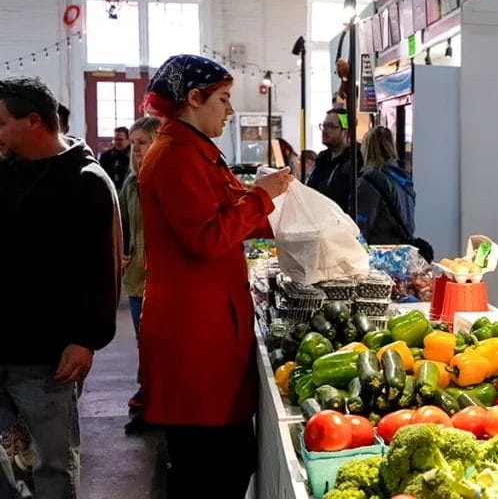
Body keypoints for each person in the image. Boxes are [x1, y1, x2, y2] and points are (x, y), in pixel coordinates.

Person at [137, 55, 293, 498]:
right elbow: (206, 238)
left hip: (208, 326)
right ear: (193, 98)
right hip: (194, 335)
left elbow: (225, 214)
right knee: (210, 467)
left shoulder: (196, 152)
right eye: (223, 99)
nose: (229, 109)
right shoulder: (175, 157)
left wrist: (273, 205)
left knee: (226, 458)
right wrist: (261, 197)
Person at [0, 76, 121, 497]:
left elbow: (101, 270)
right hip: (4, 343)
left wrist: (86, 338)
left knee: (51, 467)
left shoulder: (86, 181)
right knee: (6, 468)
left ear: (32, 121)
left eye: (0, 124)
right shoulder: (6, 170)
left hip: (47, 358)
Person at [119, 115, 162, 434]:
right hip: (136, 279)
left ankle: (157, 403)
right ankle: (149, 397)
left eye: (142, 142)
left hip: (162, 279)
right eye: (132, 144)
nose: (135, 149)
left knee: (157, 343)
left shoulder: (164, 180)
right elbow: (121, 222)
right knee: (143, 342)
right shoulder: (131, 184)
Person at [355, 126, 416, 245]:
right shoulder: (402, 179)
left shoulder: (368, 182)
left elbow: (360, 227)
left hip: (380, 253)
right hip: (402, 251)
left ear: (366, 149)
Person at [306, 104, 362, 216]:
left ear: (346, 131)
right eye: (323, 126)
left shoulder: (357, 159)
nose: (325, 131)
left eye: (331, 126)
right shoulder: (321, 159)